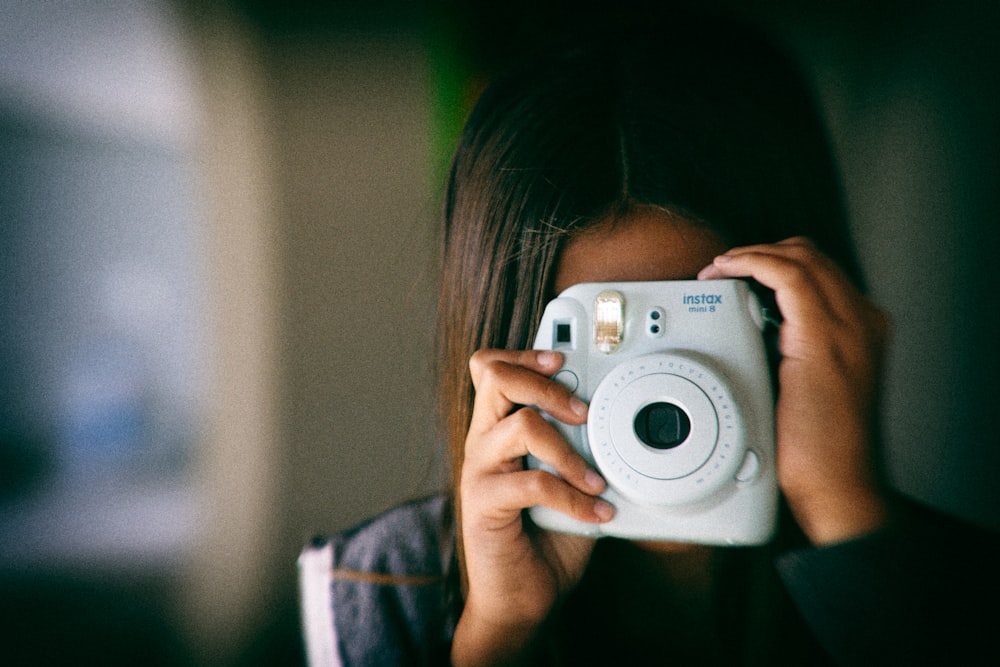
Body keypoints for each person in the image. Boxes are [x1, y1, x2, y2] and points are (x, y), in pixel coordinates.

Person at [300, 10, 998, 666]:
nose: (658, 401)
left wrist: (849, 522)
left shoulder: (955, 595)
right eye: (603, 342)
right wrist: (499, 631)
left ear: (807, 322)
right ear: (503, 341)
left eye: (693, 326)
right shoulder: (383, 587)